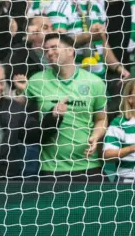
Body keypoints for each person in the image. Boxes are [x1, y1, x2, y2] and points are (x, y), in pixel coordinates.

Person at [26, 33, 107, 182]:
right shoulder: (36, 81)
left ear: (70, 51)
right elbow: (23, 116)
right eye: (46, 50)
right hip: (51, 169)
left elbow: (101, 119)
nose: (49, 53)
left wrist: (96, 136)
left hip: (88, 166)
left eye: (54, 47)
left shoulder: (94, 82)